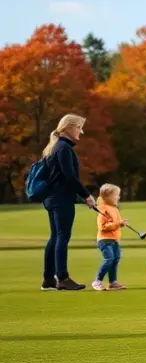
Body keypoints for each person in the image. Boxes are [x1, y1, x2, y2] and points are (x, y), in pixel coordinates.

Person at [40, 114, 96, 291]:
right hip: (61, 199)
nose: (81, 131)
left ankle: (48, 279)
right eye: (79, 127)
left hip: (51, 198)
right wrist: (86, 195)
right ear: (68, 128)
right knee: (62, 237)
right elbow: (70, 176)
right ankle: (62, 278)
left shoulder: (53, 147)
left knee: (55, 237)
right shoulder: (63, 148)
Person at [93, 184, 127, 291]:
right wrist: (118, 224)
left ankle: (113, 282)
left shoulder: (114, 209)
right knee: (109, 259)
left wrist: (120, 223)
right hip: (104, 240)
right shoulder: (103, 210)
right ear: (106, 197)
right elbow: (102, 227)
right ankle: (97, 281)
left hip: (114, 239)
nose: (118, 197)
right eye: (116, 195)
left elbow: (115, 223)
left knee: (116, 259)